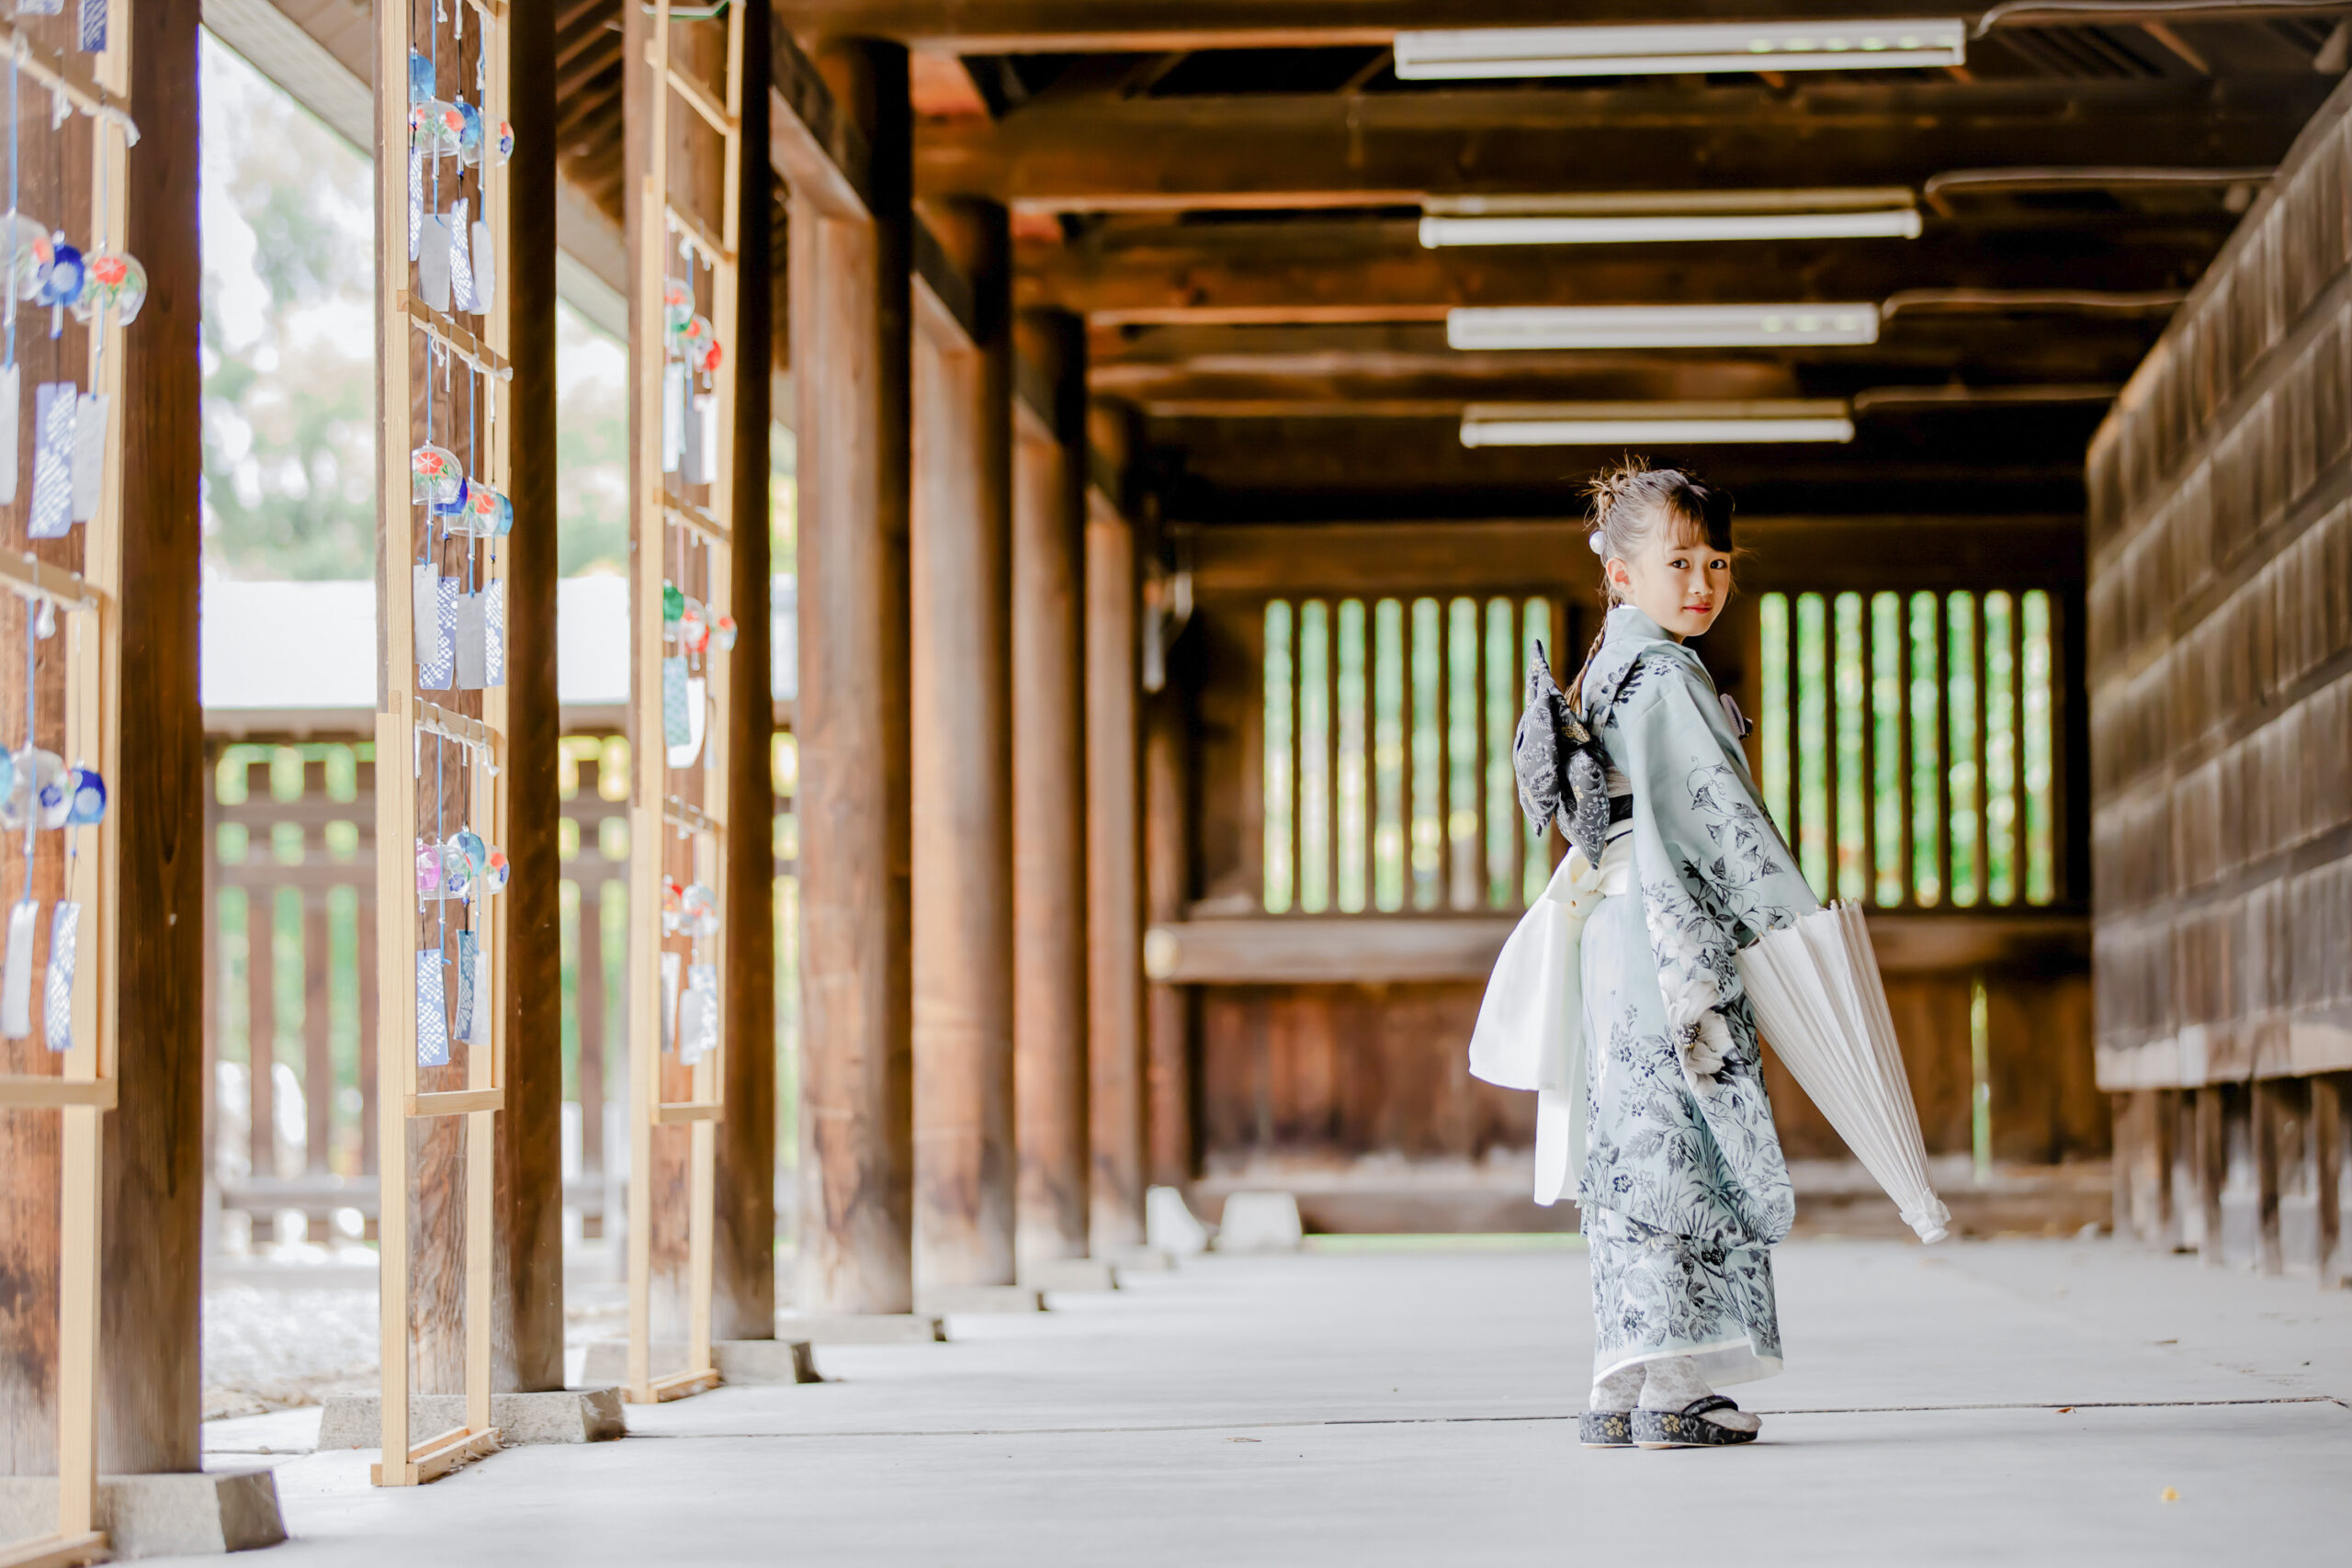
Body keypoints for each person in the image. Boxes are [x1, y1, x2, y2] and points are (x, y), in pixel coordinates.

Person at [1469, 458, 1817, 1451]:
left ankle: (1619, 1382)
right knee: (1683, 1145)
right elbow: (1720, 819)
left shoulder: (1607, 667)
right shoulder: (1662, 674)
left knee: (1627, 1147)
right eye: (1680, 562)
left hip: (1615, 934)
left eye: (1718, 562)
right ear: (1621, 575)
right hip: (1666, 937)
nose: (1702, 583)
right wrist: (1801, 930)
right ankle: (1675, 1385)